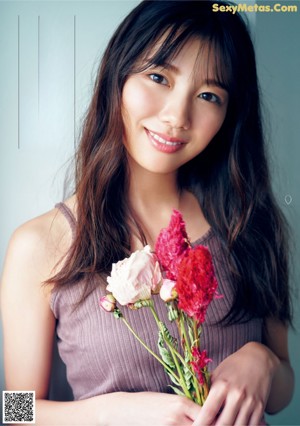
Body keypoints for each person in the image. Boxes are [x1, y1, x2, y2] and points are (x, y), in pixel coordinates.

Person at [0, 1, 295, 425]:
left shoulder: (248, 224)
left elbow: (284, 390)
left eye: (209, 95)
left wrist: (263, 363)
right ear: (117, 76)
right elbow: (16, 411)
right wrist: (108, 413)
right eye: (158, 77)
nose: (177, 116)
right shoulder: (41, 244)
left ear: (229, 115)